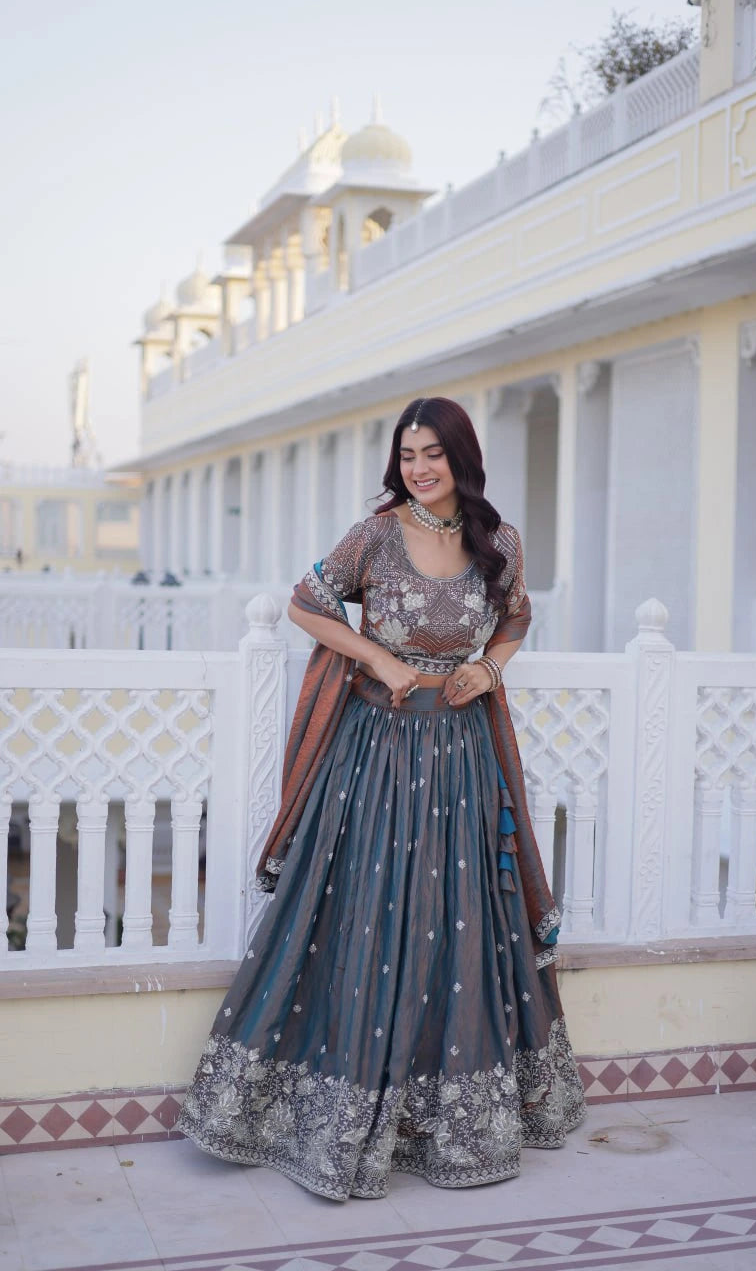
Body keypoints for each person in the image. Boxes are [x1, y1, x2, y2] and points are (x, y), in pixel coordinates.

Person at [177, 397, 586, 1200]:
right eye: (407, 456)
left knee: (458, 921)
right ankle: (326, 1111)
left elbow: (515, 618)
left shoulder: (496, 540)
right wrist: (378, 659)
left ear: (461, 458)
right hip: (375, 756)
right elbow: (306, 602)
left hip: (463, 756)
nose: (419, 468)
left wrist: (489, 668)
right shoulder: (374, 535)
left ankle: (445, 1120)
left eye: (432, 454)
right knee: (362, 913)